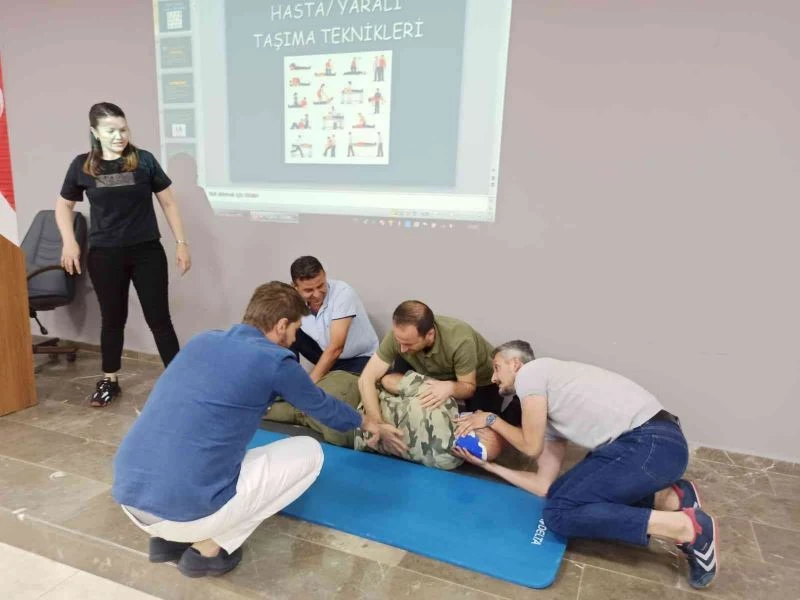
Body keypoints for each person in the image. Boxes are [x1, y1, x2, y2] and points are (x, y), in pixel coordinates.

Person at [112, 282, 400, 578]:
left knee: (206, 444)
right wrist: (369, 423)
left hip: (129, 496)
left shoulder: (202, 340)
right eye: (295, 330)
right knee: (309, 452)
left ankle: (168, 541)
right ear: (281, 325)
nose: (294, 339)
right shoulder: (274, 361)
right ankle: (207, 551)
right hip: (184, 512)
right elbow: (323, 407)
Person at [453, 340, 718, 590]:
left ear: (515, 364)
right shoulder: (550, 412)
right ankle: (672, 498)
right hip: (654, 447)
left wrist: (490, 419)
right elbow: (544, 485)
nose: (493, 378)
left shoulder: (531, 373)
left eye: (497, 367)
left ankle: (686, 527)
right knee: (559, 496)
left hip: (651, 444)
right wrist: (489, 467)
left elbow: (530, 447)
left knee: (559, 514)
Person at [56, 102, 191, 407]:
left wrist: (181, 242)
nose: (119, 136)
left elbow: (168, 203)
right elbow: (63, 205)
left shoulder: (144, 161)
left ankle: (180, 382)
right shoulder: (82, 166)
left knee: (159, 319)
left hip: (146, 252)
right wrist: (69, 242)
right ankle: (109, 380)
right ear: (95, 132)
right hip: (105, 255)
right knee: (113, 319)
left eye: (123, 129)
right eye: (111, 131)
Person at [357, 300, 520, 456]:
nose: (402, 348)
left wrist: (450, 387)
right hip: (428, 370)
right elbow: (366, 379)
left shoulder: (460, 340)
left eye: (408, 343)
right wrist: (377, 425)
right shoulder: (400, 338)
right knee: (391, 387)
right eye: (399, 341)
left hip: (479, 380)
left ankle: (512, 410)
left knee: (486, 441)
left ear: (430, 334)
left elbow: (468, 387)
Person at [290, 256, 378, 381]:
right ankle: (289, 378)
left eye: (321, 285)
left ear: (325, 276)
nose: (317, 294)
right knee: (288, 330)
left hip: (359, 358)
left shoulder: (343, 293)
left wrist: (309, 385)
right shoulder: (292, 299)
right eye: (309, 290)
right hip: (326, 353)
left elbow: (336, 348)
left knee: (332, 388)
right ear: (295, 287)